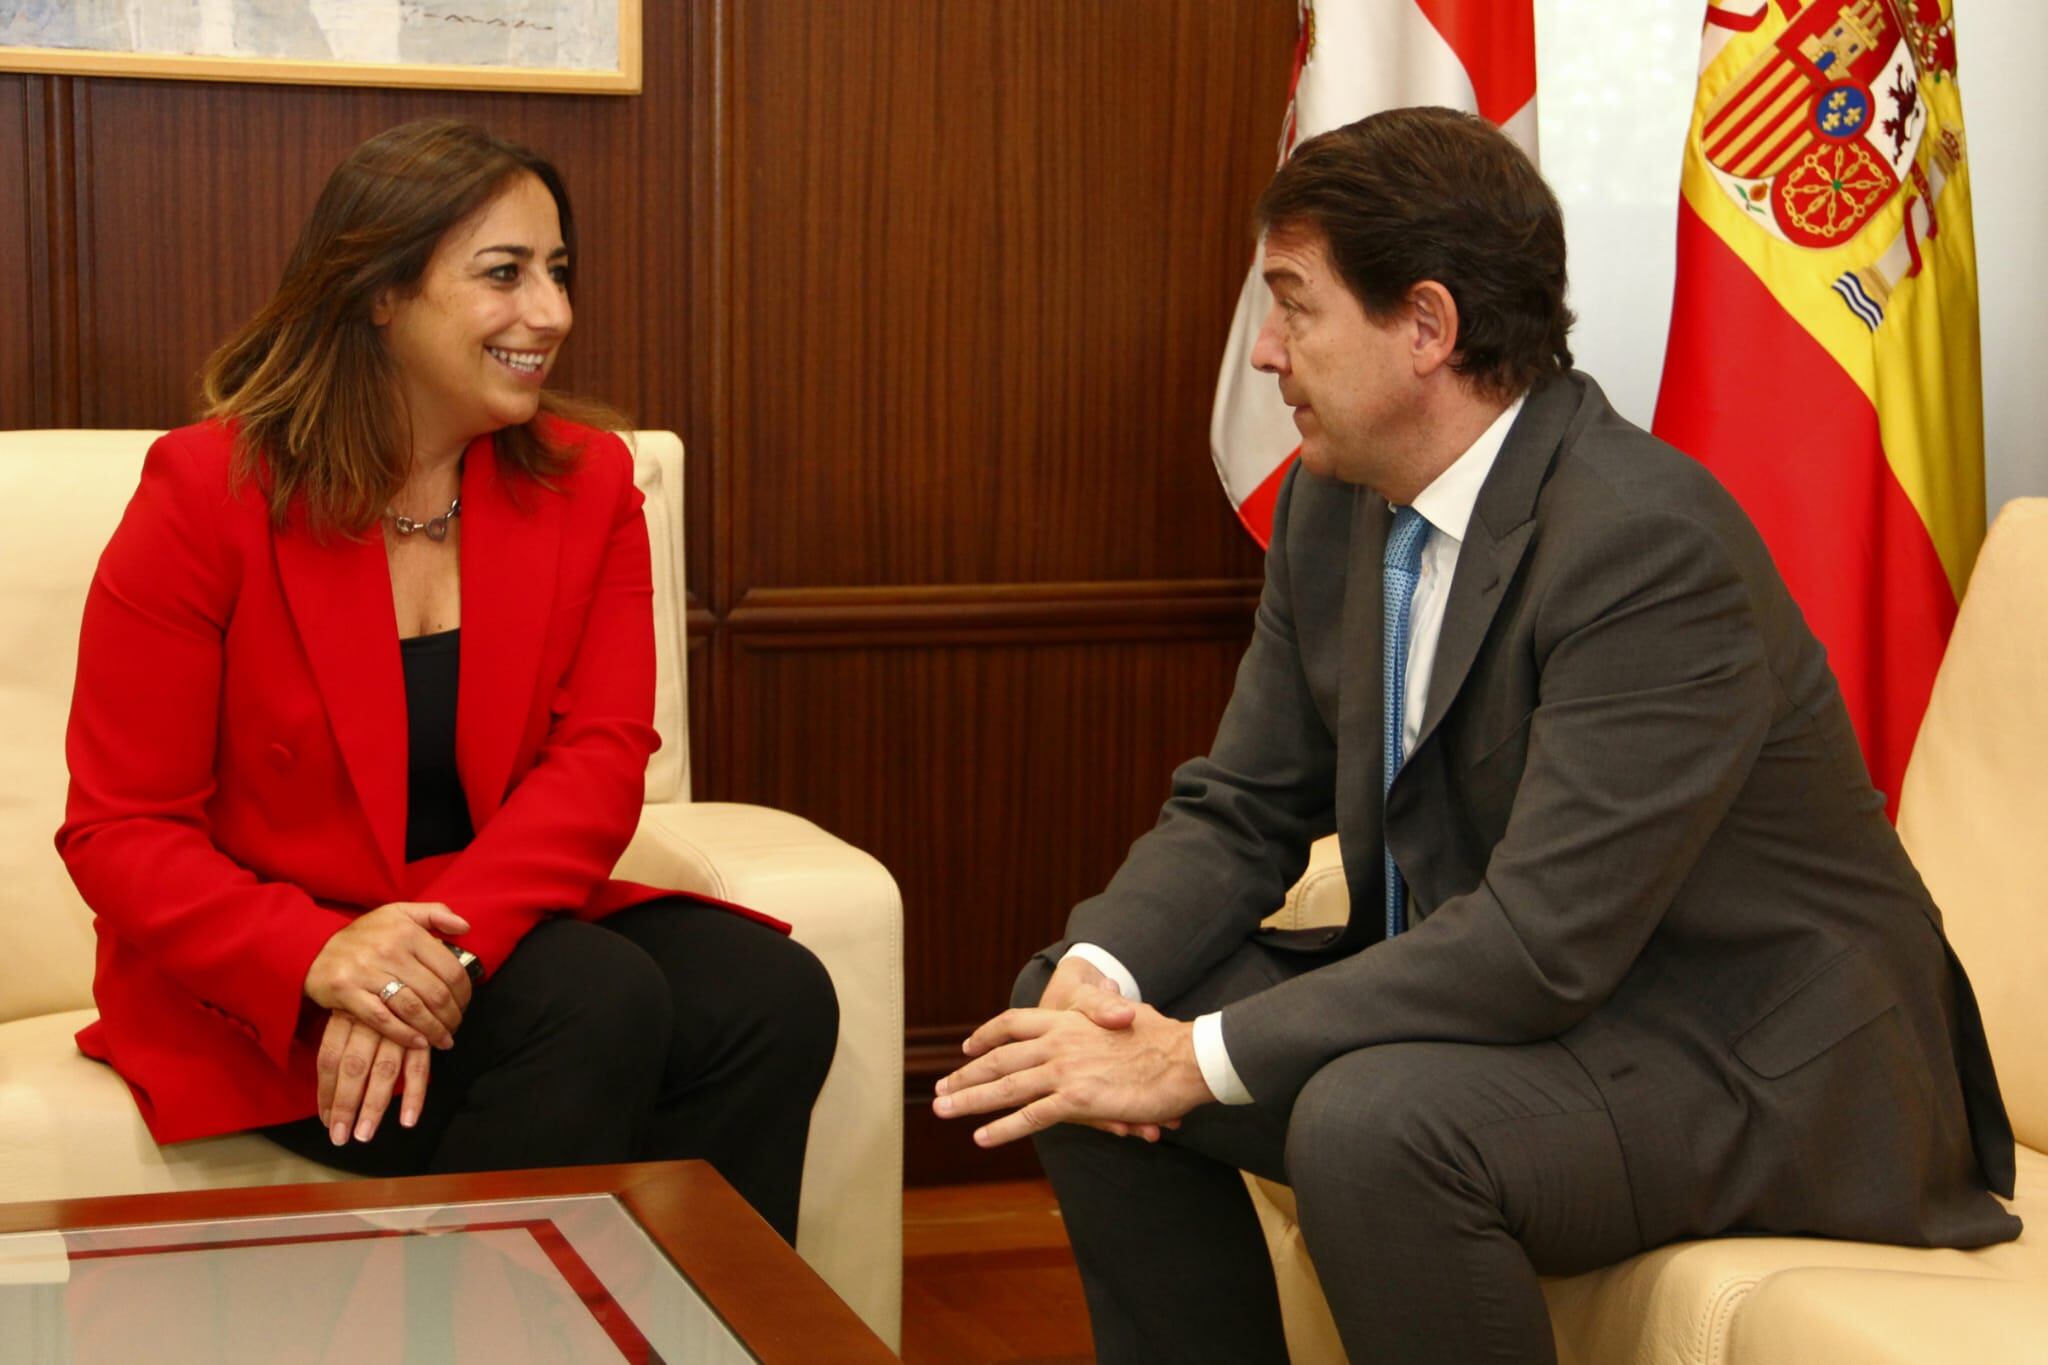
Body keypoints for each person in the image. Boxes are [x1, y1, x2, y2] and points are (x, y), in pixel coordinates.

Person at [933, 106, 2020, 1362]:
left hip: (1740, 1056)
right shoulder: (1336, 510)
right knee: (1055, 1034)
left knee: (1370, 1121)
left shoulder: (1640, 543)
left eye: (1293, 307)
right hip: (1545, 1015)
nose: (1268, 357)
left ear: (1426, 328)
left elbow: (1541, 940)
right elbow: (1240, 805)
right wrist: (1108, 980)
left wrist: (1197, 1057)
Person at [57, 119, 837, 1244]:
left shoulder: (591, 486)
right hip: (268, 974)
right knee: (595, 1003)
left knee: (772, 997)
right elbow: (119, 829)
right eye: (504, 275)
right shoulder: (204, 492)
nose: (553, 314)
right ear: (380, 292)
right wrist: (325, 958)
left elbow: (603, 759)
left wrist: (427, 962)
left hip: (489, 919)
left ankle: (692, 1333)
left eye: (558, 273)